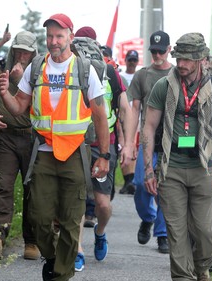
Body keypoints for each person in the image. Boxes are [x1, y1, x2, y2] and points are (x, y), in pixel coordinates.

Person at [0, 13, 110, 281]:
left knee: (71, 224)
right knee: (38, 218)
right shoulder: (37, 68)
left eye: (59, 36)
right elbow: (19, 106)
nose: (54, 41)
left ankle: (60, 274)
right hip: (44, 153)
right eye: (49, 36)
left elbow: (100, 116)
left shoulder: (84, 69)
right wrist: (4, 94)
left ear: (70, 36)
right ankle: (53, 257)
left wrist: (104, 155)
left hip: (74, 154)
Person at [142, 32, 212, 281]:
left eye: (187, 59)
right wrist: (149, 169)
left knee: (205, 231)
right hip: (170, 168)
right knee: (176, 231)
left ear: (201, 59)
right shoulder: (164, 86)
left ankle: (202, 266)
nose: (181, 64)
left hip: (203, 167)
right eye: (179, 58)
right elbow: (149, 126)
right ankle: (184, 277)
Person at [73, 26, 134, 272]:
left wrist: (128, 144)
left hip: (102, 145)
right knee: (75, 201)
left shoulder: (109, 72)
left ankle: (100, 232)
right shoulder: (69, 68)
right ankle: (77, 250)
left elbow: (126, 110)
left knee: (103, 205)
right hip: (74, 143)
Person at [0, 31, 40, 260]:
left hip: (30, 138)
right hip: (5, 137)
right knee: (3, 185)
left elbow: (38, 106)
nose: (21, 54)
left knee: (32, 190)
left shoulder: (39, 75)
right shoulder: (0, 71)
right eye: (18, 50)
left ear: (33, 53)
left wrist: (18, 80)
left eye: (26, 51)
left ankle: (32, 240)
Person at [128, 30, 172, 254]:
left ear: (169, 50)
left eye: (161, 51)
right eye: (153, 51)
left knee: (165, 189)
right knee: (141, 186)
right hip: (147, 142)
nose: (157, 55)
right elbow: (135, 110)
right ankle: (148, 217)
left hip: (171, 144)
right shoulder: (143, 75)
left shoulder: (177, 74)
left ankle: (162, 234)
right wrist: (128, 143)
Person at [118, 49, 140, 195]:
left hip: (136, 117)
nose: (131, 63)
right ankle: (128, 180)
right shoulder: (120, 76)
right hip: (122, 116)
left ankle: (131, 180)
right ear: (125, 61)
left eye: (134, 60)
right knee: (122, 147)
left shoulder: (139, 77)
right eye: (129, 60)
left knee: (133, 149)